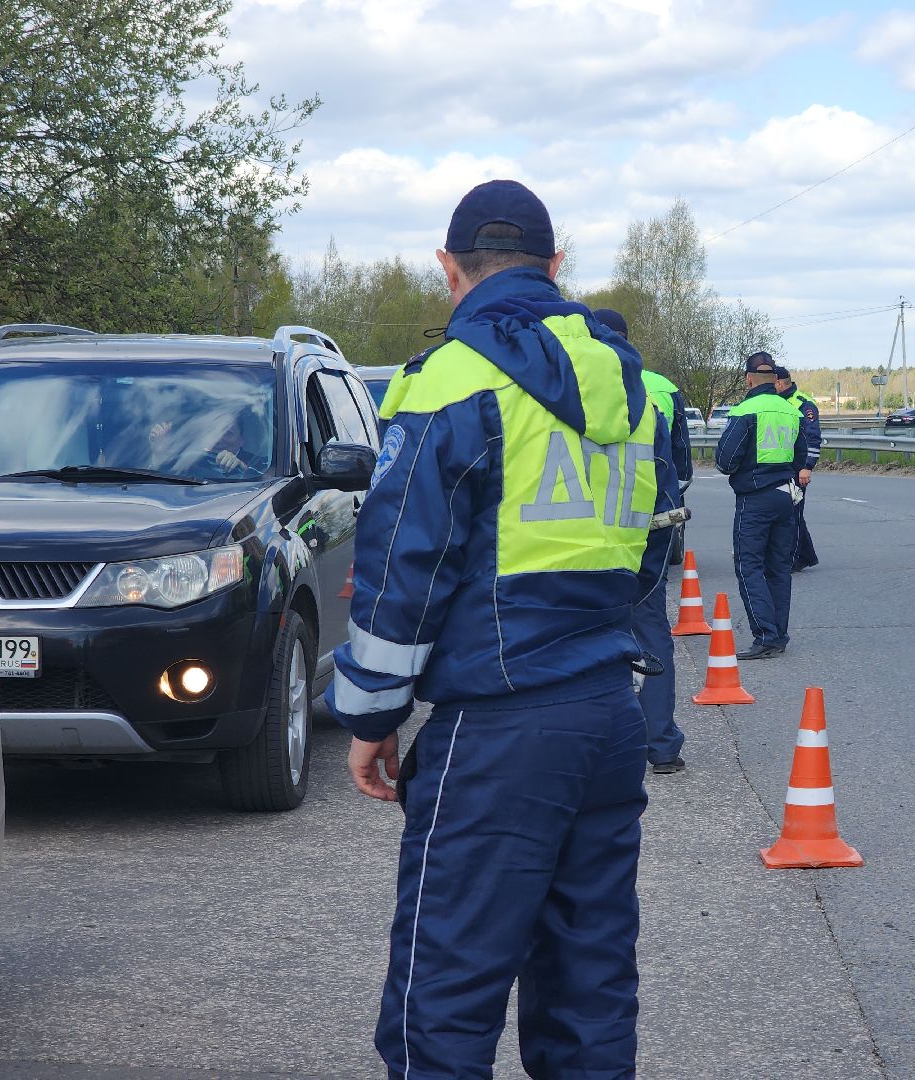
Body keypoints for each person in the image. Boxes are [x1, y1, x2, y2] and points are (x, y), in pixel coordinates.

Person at [326, 179, 675, 1080]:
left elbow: (405, 566)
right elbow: (643, 558)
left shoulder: (450, 380)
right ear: (557, 268)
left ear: (450, 270)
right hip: (607, 711)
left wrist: (371, 718)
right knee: (588, 990)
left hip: (498, 725)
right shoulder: (631, 388)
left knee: (441, 993)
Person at [595, 307, 690, 775]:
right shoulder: (652, 400)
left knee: (581, 635)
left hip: (573, 539)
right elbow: (674, 469)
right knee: (650, 628)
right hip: (644, 531)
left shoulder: (559, 393)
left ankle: (595, 745)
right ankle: (661, 745)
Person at [714, 351, 807, 660]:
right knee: (779, 567)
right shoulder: (791, 411)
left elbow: (726, 461)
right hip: (786, 496)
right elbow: (799, 458)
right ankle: (778, 634)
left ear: (749, 379)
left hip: (755, 498)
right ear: (775, 379)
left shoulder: (746, 410)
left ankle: (765, 635)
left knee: (749, 565)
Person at [772, 365, 821, 571]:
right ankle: (806, 555)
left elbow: (813, 438)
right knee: (789, 512)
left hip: (797, 467)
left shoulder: (802, 404)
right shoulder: (776, 402)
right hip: (780, 466)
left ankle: (793, 559)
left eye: (772, 383)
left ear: (781, 383)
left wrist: (807, 467)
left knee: (793, 513)